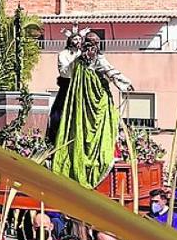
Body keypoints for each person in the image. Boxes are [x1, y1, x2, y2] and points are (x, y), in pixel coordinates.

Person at [51, 33, 133, 188]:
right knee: (78, 125)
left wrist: (124, 83)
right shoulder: (76, 60)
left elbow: (110, 71)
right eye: (90, 43)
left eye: (94, 43)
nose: (92, 47)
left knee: (103, 125)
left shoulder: (97, 58)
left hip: (97, 98)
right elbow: (65, 72)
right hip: (81, 99)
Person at [47, 28, 83, 144]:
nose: (78, 41)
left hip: (81, 86)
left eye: (79, 39)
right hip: (67, 86)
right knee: (59, 113)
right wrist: (76, 61)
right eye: (75, 38)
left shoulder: (83, 53)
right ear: (70, 40)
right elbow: (64, 71)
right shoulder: (63, 54)